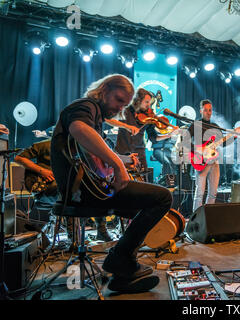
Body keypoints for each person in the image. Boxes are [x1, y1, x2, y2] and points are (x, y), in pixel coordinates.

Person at [50, 74, 172, 293]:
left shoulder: (96, 116)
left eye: (124, 105)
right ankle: (120, 258)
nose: (119, 109)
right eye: (118, 100)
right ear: (104, 90)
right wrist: (118, 165)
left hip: (86, 188)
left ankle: (123, 273)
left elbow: (91, 153)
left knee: (138, 206)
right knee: (162, 197)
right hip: (82, 191)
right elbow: (78, 128)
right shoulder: (86, 106)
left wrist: (123, 160)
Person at [15, 139, 114, 242]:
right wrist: (42, 171)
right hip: (46, 188)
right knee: (69, 191)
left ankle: (101, 231)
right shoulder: (45, 145)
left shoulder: (80, 148)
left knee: (97, 188)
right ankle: (74, 238)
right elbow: (18, 157)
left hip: (67, 187)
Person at [105, 88, 178, 181]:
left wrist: (169, 135)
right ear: (137, 101)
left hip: (140, 155)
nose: (149, 105)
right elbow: (107, 119)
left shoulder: (149, 116)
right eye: (146, 102)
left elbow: (153, 138)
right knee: (122, 183)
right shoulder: (125, 110)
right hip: (123, 153)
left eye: (150, 103)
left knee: (144, 184)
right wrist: (126, 126)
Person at [188, 99, 240, 213]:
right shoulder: (195, 125)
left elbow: (224, 143)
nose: (208, 112)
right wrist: (198, 149)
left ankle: (207, 217)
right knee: (199, 193)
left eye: (210, 110)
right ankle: (195, 219)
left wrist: (234, 136)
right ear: (201, 110)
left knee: (213, 193)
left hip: (214, 162)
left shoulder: (215, 126)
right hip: (200, 161)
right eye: (206, 110)